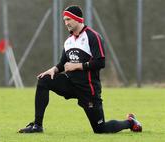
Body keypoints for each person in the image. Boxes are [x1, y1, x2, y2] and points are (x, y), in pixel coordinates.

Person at [18, 5, 142, 134]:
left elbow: (100, 62)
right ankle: (37, 125)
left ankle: (131, 122)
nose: (66, 23)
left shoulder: (93, 36)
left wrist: (77, 66)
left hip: (88, 89)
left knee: (100, 129)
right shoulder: (69, 41)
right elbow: (63, 63)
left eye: (68, 19)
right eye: (64, 20)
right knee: (44, 80)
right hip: (70, 84)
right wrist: (53, 69)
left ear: (77, 19)